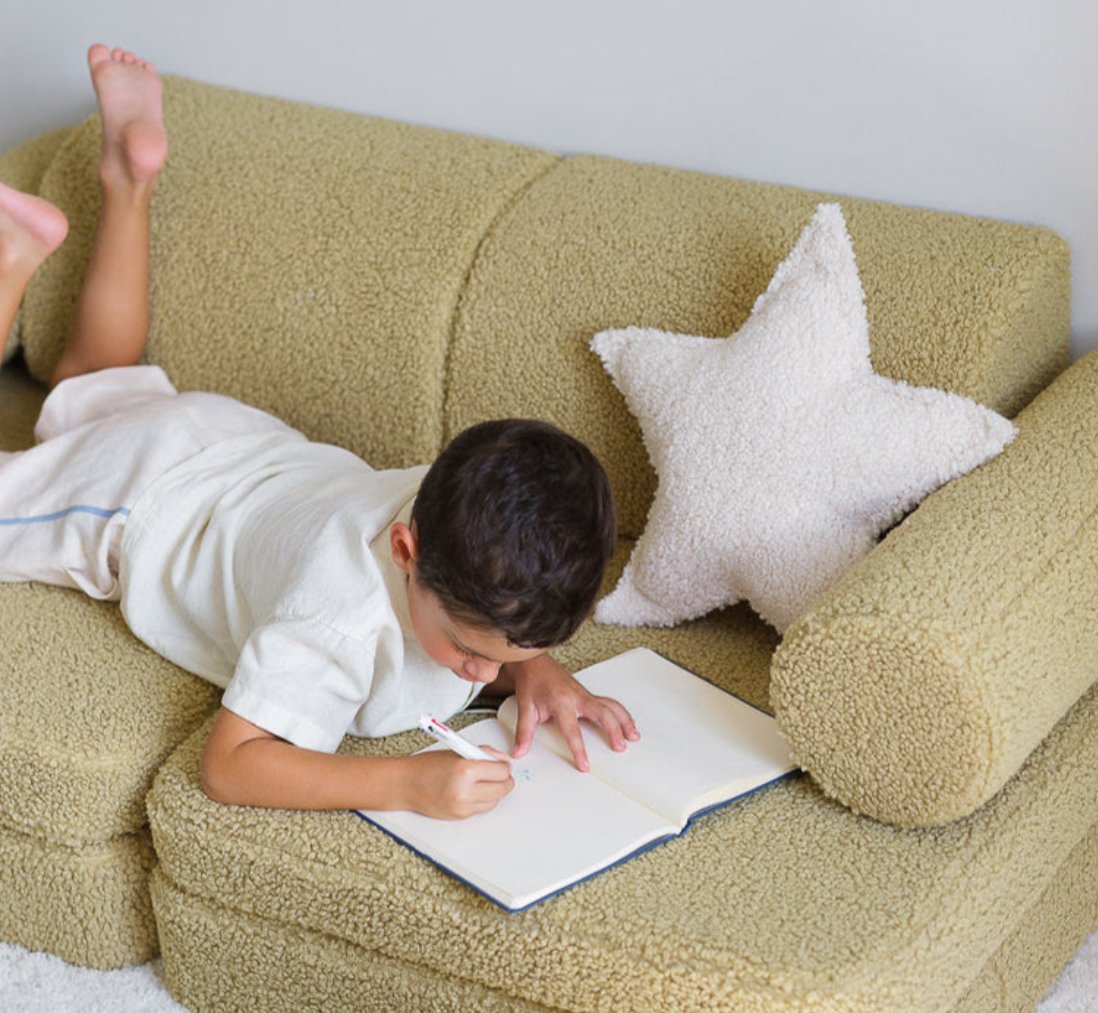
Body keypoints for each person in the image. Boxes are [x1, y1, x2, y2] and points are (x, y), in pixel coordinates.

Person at [0, 44, 638, 820]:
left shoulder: (454, 504)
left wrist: (535, 673)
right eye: (473, 652)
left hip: (232, 444)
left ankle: (129, 177)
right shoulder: (334, 617)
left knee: (83, 381)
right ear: (404, 552)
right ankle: (10, 262)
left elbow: (494, 611)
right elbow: (232, 765)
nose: (482, 668)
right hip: (144, 496)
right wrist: (406, 784)